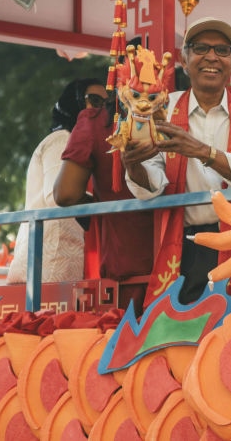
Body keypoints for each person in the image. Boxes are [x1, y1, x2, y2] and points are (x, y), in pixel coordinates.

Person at [122, 17, 231, 305]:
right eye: (201, 48)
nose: (211, 57)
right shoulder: (161, 109)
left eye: (222, 50)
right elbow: (152, 186)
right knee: (187, 328)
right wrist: (133, 164)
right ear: (184, 60)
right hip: (188, 246)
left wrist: (202, 151)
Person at [54, 78, 156, 314]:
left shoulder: (98, 122)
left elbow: (65, 194)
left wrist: (103, 205)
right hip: (185, 258)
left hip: (126, 260)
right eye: (93, 100)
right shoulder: (181, 114)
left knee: (125, 332)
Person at [6, 78, 102, 284]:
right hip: (48, 262)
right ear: (75, 103)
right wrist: (106, 208)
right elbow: (56, 197)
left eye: (107, 103)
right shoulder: (62, 139)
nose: (101, 109)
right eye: (95, 100)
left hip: (60, 262)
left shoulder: (84, 147)